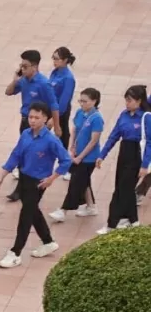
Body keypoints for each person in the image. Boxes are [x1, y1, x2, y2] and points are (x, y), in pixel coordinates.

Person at [0, 102, 71, 267]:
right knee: (32, 209)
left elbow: (66, 160)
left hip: (39, 182)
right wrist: (1, 175)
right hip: (24, 178)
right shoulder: (26, 134)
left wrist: (52, 178)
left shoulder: (51, 140)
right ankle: (48, 241)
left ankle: (15, 252)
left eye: (37, 117)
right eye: (31, 117)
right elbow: (16, 155)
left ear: (45, 119)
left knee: (26, 214)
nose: (32, 120)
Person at [5, 50, 61, 202]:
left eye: (25, 66)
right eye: (21, 66)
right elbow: (8, 92)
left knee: (31, 154)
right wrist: (15, 80)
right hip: (25, 121)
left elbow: (54, 106)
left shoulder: (44, 84)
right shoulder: (23, 80)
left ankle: (24, 189)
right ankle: (22, 186)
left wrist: (56, 125)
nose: (22, 69)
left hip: (39, 124)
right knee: (22, 153)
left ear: (35, 67)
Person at [95, 85, 151, 234]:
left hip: (136, 155)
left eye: (129, 100)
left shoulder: (146, 117)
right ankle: (133, 220)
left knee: (121, 190)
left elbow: (150, 143)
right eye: (126, 100)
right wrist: (102, 155)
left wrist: (145, 165)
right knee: (123, 186)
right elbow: (114, 136)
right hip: (124, 153)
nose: (127, 103)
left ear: (139, 101)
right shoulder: (124, 115)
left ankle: (111, 224)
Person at [51, 88, 104, 222]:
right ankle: (91, 206)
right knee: (83, 181)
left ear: (94, 101)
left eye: (85, 101)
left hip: (89, 158)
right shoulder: (80, 112)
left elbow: (93, 141)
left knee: (75, 182)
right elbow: (75, 129)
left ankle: (63, 210)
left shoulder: (97, 118)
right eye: (80, 100)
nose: (81, 104)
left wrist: (81, 157)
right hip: (77, 153)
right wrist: (72, 146)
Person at [50, 47, 78, 156]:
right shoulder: (55, 72)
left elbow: (64, 102)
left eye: (57, 59)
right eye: (53, 58)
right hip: (50, 107)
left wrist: (54, 118)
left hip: (60, 111)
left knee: (62, 134)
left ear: (65, 60)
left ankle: (64, 161)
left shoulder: (68, 78)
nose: (54, 61)